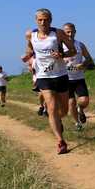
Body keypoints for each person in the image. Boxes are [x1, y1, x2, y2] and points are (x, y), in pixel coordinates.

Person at [22, 8, 76, 154]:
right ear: (36, 21)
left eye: (45, 19)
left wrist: (61, 54)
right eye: (40, 19)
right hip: (43, 76)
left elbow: (73, 51)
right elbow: (30, 50)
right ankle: (61, 141)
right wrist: (26, 57)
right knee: (51, 108)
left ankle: (59, 121)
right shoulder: (30, 35)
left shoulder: (58, 33)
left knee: (63, 110)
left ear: (50, 20)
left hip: (60, 75)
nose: (43, 22)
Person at [62, 23, 94, 131]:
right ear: (63, 33)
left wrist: (83, 64)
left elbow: (89, 59)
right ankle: (77, 123)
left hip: (79, 78)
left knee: (84, 100)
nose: (70, 34)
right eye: (67, 32)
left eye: (72, 31)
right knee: (71, 102)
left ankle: (80, 109)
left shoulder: (80, 45)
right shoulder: (59, 46)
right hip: (65, 79)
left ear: (75, 31)